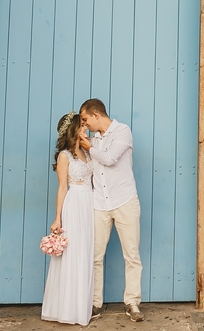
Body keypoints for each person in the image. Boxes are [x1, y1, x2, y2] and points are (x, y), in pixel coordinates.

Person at [78, 98, 144, 322]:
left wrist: (89, 147)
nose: (85, 125)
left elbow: (110, 159)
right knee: (95, 256)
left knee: (132, 255)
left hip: (125, 200)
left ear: (96, 115)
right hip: (99, 204)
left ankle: (132, 302)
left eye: (86, 119)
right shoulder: (93, 140)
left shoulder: (122, 131)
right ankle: (95, 303)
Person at [41, 113, 95, 326]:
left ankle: (83, 307)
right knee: (74, 254)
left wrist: (90, 146)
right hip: (75, 204)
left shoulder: (87, 153)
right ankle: (68, 309)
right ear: (72, 129)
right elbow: (62, 187)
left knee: (87, 252)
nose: (86, 127)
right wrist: (57, 218)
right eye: (82, 125)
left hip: (90, 203)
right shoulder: (65, 156)